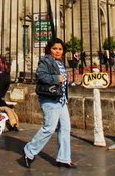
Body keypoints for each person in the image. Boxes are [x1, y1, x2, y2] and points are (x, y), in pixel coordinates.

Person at [23, 37, 74, 169]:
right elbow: (40, 76)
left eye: (60, 49)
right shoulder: (46, 60)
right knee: (49, 128)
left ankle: (64, 158)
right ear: (49, 49)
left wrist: (65, 96)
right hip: (50, 99)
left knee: (65, 128)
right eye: (55, 48)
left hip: (61, 100)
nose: (57, 51)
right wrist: (56, 78)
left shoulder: (60, 62)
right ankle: (29, 151)